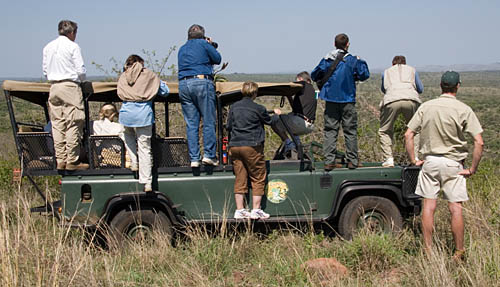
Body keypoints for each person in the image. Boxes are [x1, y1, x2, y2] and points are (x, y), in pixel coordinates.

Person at [404, 71, 484, 259]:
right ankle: (459, 251)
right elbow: (479, 142)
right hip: (454, 163)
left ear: (440, 85)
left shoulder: (427, 106)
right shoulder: (464, 109)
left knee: (429, 206)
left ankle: (428, 249)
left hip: (430, 161)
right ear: (458, 86)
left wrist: (414, 160)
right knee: (455, 208)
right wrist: (472, 168)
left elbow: (408, 134)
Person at [311, 33, 370, 170]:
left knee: (330, 130)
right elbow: (364, 75)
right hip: (348, 99)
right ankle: (352, 161)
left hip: (331, 99)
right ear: (347, 44)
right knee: (350, 131)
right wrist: (361, 61)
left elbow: (314, 75)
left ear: (334, 44)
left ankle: (329, 161)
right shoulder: (353, 60)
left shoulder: (327, 60)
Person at [227, 82, 279, 219]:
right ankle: (256, 209)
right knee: (258, 176)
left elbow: (229, 126)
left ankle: (240, 210)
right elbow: (270, 121)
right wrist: (277, 115)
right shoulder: (259, 108)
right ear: (255, 93)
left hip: (235, 146)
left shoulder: (234, 107)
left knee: (240, 177)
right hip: (252, 146)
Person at [117, 55, 169, 192]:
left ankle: (134, 161)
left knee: (126, 134)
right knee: (145, 148)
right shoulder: (149, 75)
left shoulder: (123, 76)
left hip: (126, 114)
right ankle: (147, 182)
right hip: (143, 114)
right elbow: (165, 92)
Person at [42, 20, 88, 170]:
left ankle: (60, 159)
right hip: (70, 86)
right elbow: (80, 70)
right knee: (73, 122)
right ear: (72, 32)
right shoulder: (73, 46)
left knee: (57, 124)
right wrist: (82, 82)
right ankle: (72, 160)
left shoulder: (48, 47)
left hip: (54, 87)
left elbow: (45, 71)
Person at [178, 24, 222, 168]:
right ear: (202, 35)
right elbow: (217, 59)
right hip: (202, 82)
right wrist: (210, 44)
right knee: (209, 120)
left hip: (184, 85)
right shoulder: (204, 44)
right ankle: (209, 155)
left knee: (191, 124)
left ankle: (194, 158)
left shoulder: (182, 49)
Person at [379, 56, 423, 167]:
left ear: (393, 64)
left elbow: (384, 89)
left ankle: (388, 159)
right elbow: (420, 89)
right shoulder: (412, 70)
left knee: (385, 130)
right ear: (405, 63)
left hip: (392, 99)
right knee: (415, 129)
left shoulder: (386, 72)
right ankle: (415, 157)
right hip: (411, 99)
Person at [271, 71, 317, 159]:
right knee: (289, 119)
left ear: (300, 79)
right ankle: (297, 143)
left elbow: (293, 85)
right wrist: (289, 96)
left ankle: (289, 144)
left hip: (300, 122)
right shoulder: (311, 91)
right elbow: (296, 110)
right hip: (309, 125)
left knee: (274, 121)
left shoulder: (303, 85)